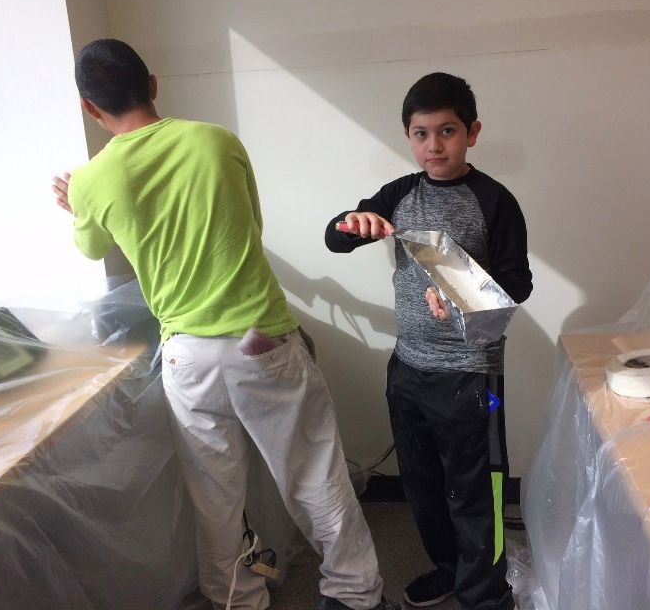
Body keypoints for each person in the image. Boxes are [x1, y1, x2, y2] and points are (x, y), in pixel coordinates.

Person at [52, 38, 398, 610]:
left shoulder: (92, 180)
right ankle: (356, 596)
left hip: (187, 354)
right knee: (314, 476)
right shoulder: (215, 140)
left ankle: (238, 599)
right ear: (154, 83)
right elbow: (251, 226)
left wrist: (79, 203)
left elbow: (92, 247)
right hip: (261, 339)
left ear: (91, 108)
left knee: (213, 496)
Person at [324, 73, 532, 610]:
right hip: (409, 372)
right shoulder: (400, 193)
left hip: (470, 376)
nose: (433, 146)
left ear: (473, 133)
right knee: (424, 488)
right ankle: (450, 569)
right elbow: (335, 237)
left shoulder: (494, 200)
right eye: (420, 133)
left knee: (477, 491)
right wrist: (355, 221)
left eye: (447, 131)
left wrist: (463, 291)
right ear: (408, 136)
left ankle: (486, 595)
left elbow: (519, 282)